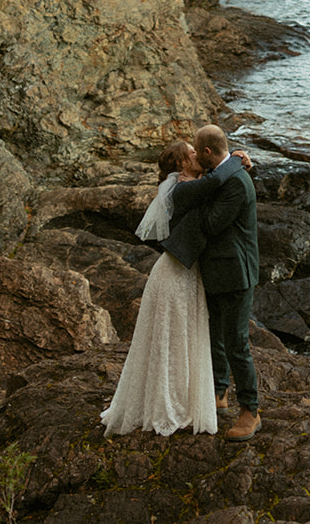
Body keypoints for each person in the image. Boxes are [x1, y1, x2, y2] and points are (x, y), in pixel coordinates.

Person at [100, 140, 222, 436]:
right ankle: (169, 405)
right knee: (173, 339)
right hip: (173, 274)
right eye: (193, 152)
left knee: (184, 336)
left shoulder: (193, 183)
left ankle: (182, 401)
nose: (198, 153)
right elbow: (218, 180)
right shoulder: (181, 189)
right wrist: (233, 159)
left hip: (185, 272)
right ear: (181, 163)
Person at [191, 123, 262, 442]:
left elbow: (211, 223)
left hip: (236, 273)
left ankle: (251, 411)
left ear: (207, 153)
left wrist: (190, 191)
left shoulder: (235, 181)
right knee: (214, 333)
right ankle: (220, 392)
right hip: (217, 270)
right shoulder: (224, 172)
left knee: (236, 341)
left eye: (196, 150)